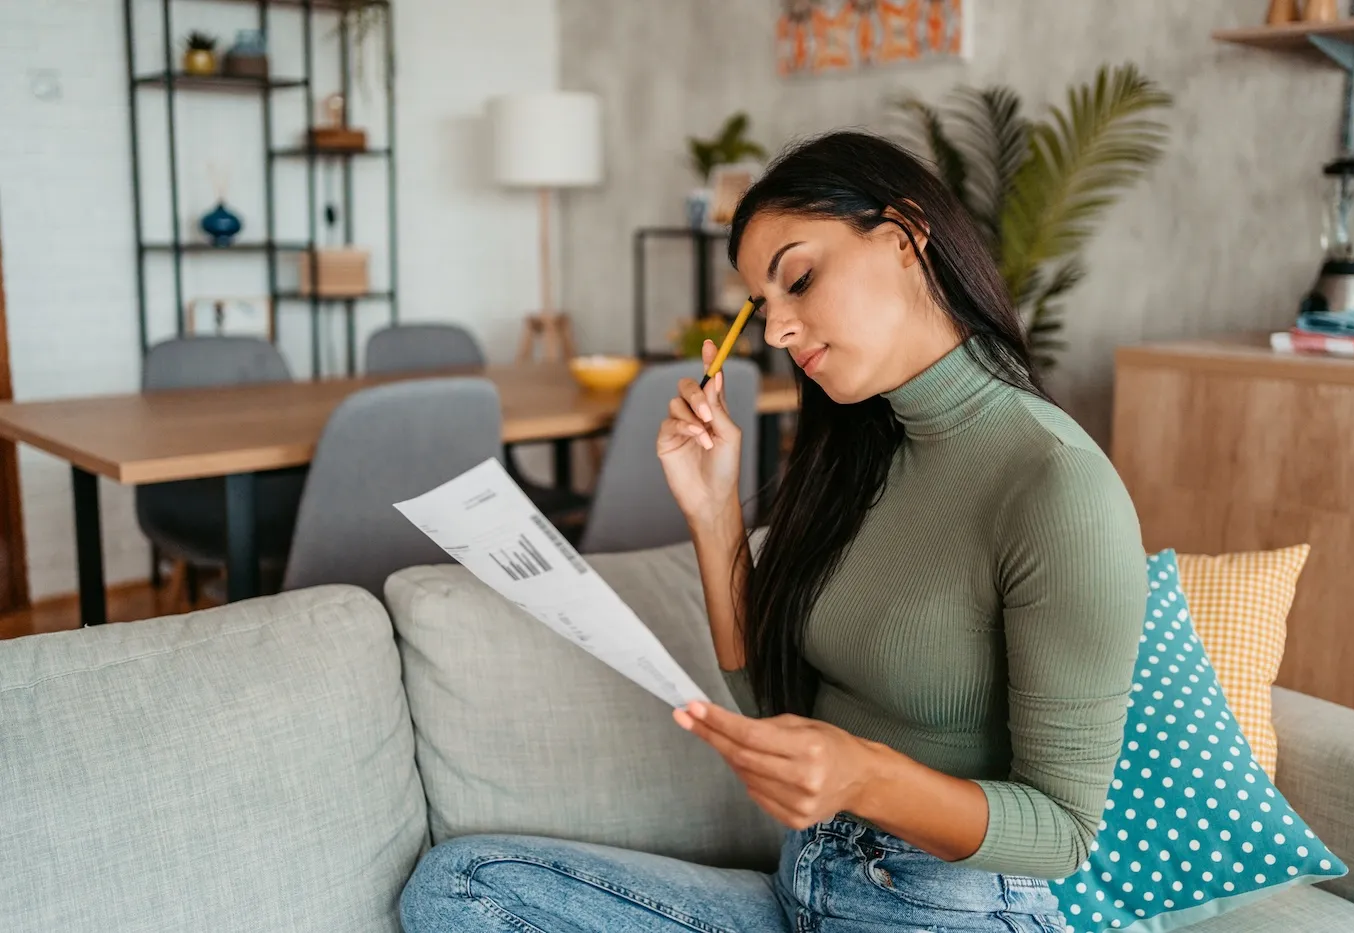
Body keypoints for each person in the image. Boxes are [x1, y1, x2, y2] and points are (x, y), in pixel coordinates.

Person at [399, 130, 1145, 933]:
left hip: (946, 909)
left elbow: (1066, 830)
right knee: (461, 884)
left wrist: (864, 775)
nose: (780, 330)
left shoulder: (1056, 482)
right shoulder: (867, 451)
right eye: (764, 307)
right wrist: (713, 510)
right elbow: (772, 699)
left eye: (799, 278)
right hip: (805, 888)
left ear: (902, 237)